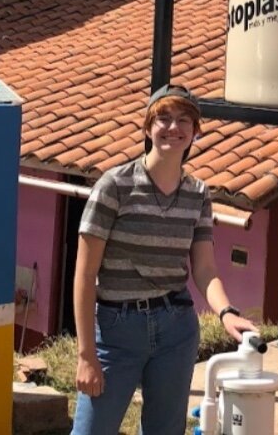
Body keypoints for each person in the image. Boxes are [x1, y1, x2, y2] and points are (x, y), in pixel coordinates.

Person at [71, 84, 256, 435]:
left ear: (195, 132)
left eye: (184, 120)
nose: (174, 127)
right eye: (164, 118)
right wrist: (86, 354)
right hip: (116, 330)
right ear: (147, 128)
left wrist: (227, 312)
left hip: (176, 329)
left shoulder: (198, 194)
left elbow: (204, 269)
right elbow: (84, 274)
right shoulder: (114, 186)